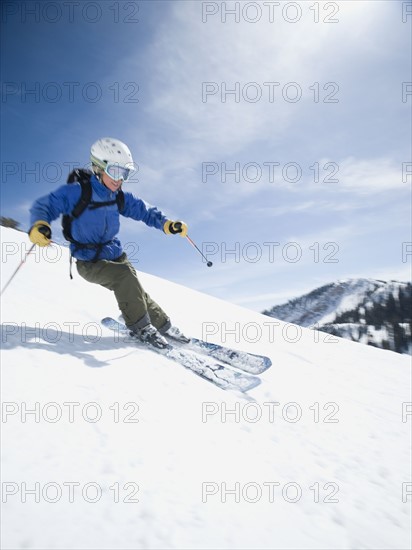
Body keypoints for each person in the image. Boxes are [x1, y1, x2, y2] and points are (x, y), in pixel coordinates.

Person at [29, 137, 188, 349]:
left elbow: (144, 210)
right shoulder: (77, 192)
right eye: (115, 171)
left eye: (125, 173)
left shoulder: (118, 197)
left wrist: (167, 224)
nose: (119, 179)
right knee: (125, 278)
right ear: (98, 167)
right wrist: (40, 225)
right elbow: (44, 205)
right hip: (89, 262)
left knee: (135, 289)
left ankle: (163, 324)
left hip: (114, 254)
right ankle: (140, 326)